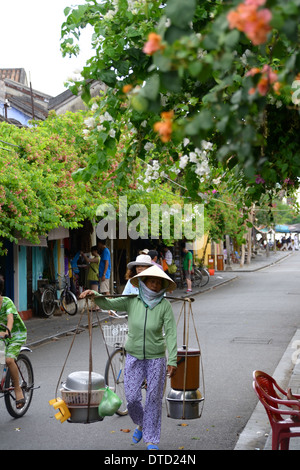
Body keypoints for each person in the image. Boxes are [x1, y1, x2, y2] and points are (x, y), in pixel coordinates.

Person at [79, 265, 177, 450]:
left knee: (154, 399)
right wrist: (94, 293)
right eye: (151, 281)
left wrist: (172, 359)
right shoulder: (132, 301)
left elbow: (171, 333)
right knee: (132, 398)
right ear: (143, 282)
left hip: (156, 357)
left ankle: (151, 440)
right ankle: (142, 424)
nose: (155, 285)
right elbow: (108, 303)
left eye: (158, 282)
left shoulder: (164, 305)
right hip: (134, 355)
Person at [0, 275, 27, 408]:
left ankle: (18, 389)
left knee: (9, 360)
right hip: (0, 336)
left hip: (15, 334)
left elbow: (10, 318)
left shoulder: (6, 302)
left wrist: (7, 332)